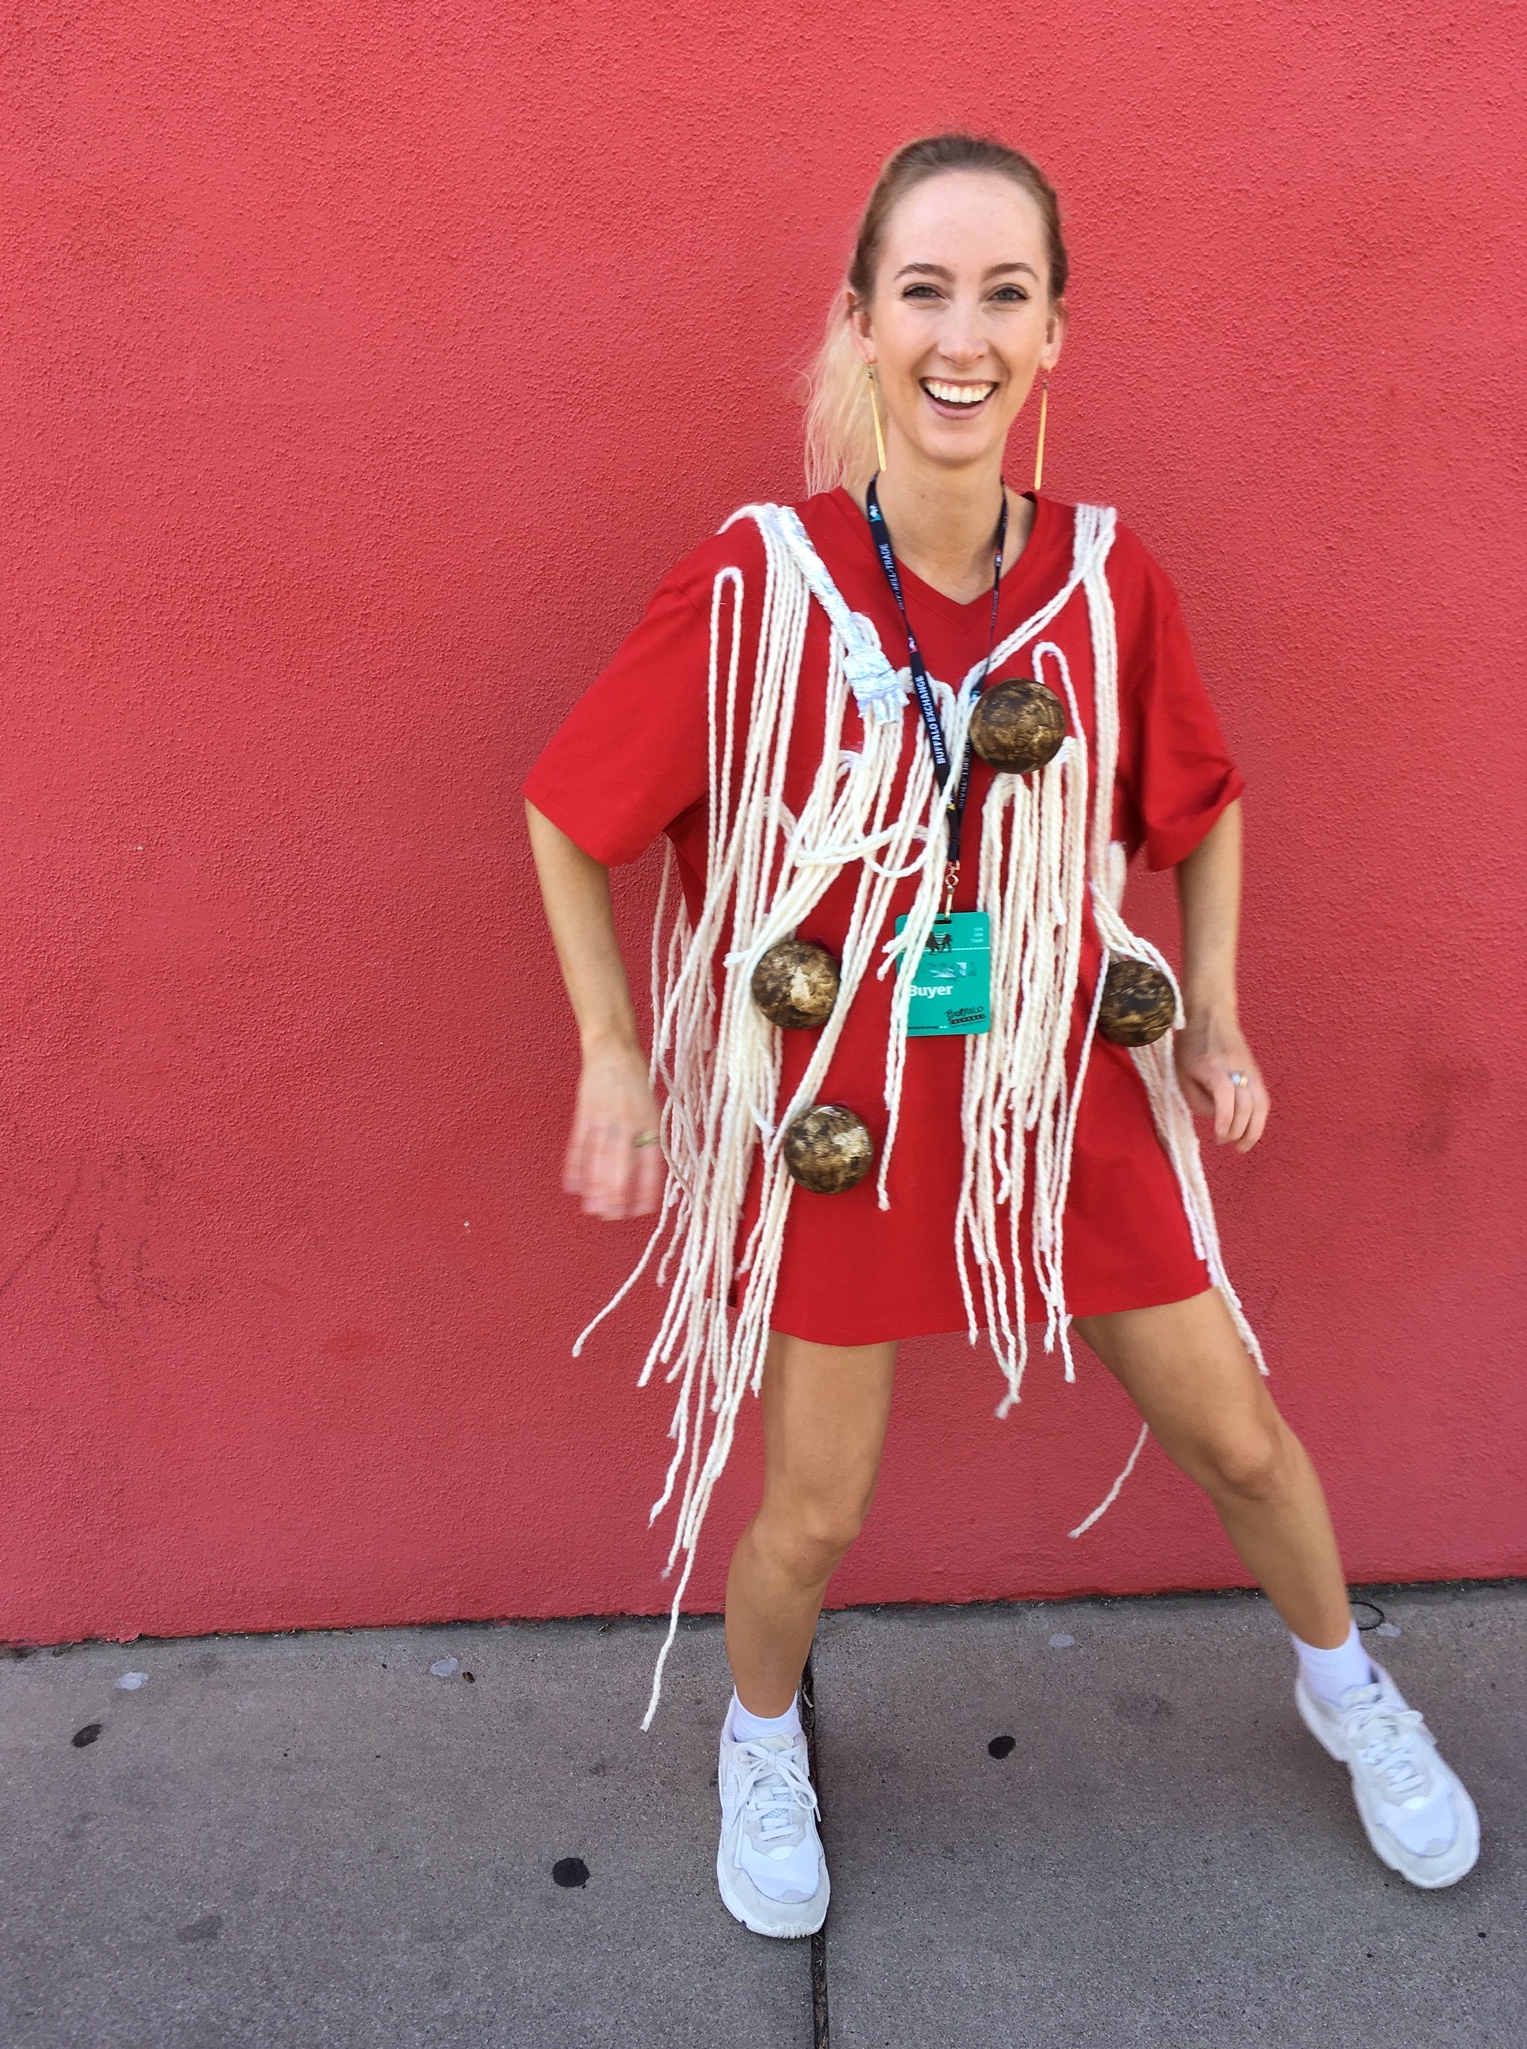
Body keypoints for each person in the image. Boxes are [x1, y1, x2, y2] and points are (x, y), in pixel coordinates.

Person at [523, 134, 1479, 1938]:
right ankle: (757, 1735)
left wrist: (1212, 1023)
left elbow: (1198, 804)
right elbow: (568, 817)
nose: (962, 335)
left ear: (1053, 337)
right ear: (862, 323)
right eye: (925, 291)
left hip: (1054, 1087)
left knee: (1246, 1441)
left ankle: (1347, 1688)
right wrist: (607, 1051)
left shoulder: (1110, 578)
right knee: (810, 1513)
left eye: (1005, 294)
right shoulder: (760, 578)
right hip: (853, 1106)